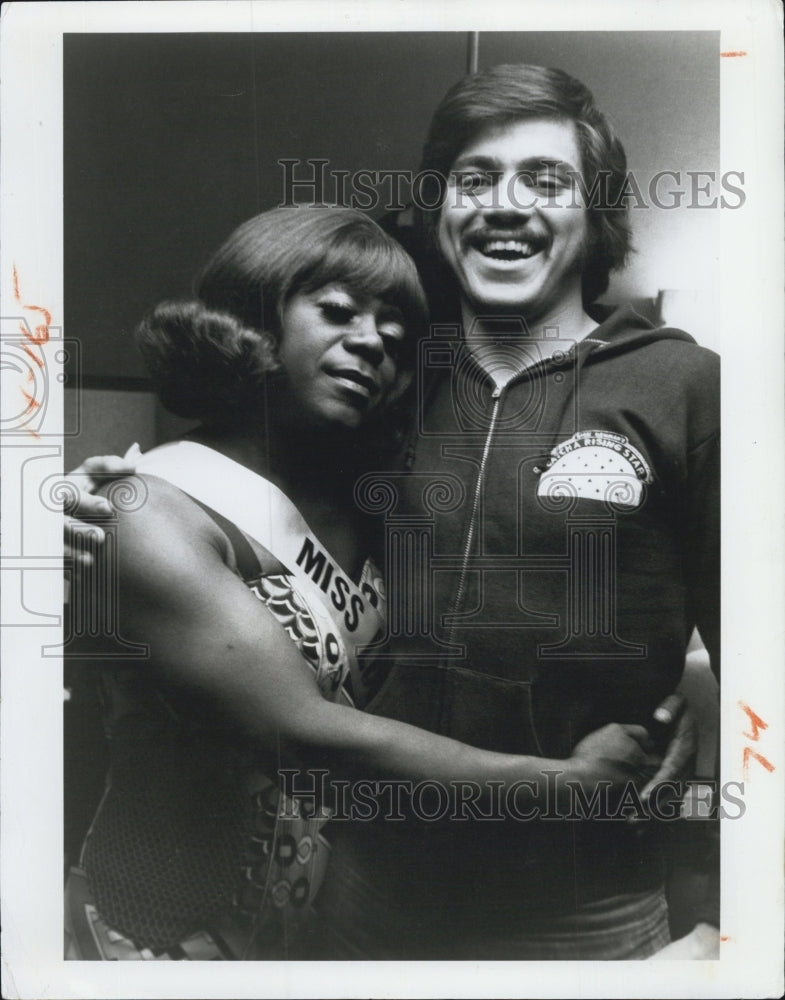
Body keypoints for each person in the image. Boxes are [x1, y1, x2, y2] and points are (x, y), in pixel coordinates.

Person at [63, 205, 673, 962]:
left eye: (393, 327)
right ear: (253, 318)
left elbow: (534, 587)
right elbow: (296, 731)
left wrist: (701, 668)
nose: (373, 340)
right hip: (163, 935)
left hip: (316, 933)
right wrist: (570, 786)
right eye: (337, 310)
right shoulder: (143, 505)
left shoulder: (363, 498)